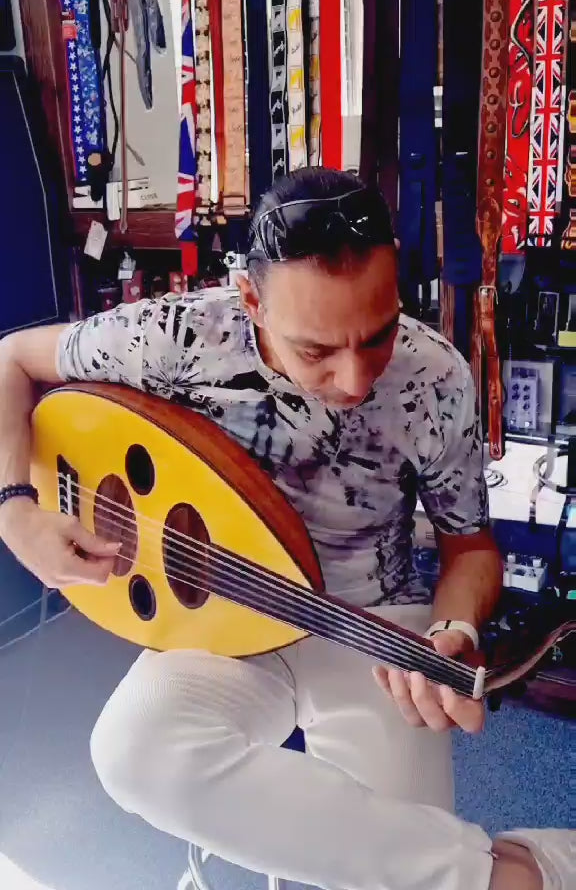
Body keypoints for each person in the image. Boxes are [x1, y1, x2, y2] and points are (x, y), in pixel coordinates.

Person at [0, 168, 572, 890]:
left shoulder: (435, 376)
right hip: (219, 623)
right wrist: (14, 509)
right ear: (251, 301)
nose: (355, 379)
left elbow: (470, 548)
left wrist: (450, 630)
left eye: (378, 335)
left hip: (373, 628)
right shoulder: (178, 337)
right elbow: (11, 362)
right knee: (132, 750)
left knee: (395, 862)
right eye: (316, 351)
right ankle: (511, 877)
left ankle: (520, 864)